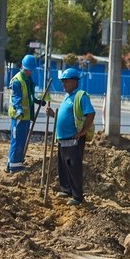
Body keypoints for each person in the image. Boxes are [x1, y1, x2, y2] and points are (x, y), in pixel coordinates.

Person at [44, 67, 95, 206]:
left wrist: (83, 131)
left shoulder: (81, 96)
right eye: (63, 82)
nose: (63, 84)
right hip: (63, 138)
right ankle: (66, 189)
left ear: (74, 82)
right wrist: (53, 115)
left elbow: (90, 113)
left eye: (66, 82)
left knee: (74, 166)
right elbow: (65, 116)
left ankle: (77, 196)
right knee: (63, 165)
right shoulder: (67, 97)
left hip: (74, 138)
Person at [6, 54, 45, 172]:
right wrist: (18, 109)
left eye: (31, 70)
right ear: (22, 66)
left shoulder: (28, 80)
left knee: (21, 139)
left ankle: (14, 162)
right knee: (16, 139)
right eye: (27, 69)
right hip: (19, 116)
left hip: (26, 117)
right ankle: (14, 164)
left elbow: (30, 97)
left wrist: (38, 101)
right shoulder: (17, 80)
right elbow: (16, 97)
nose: (29, 72)